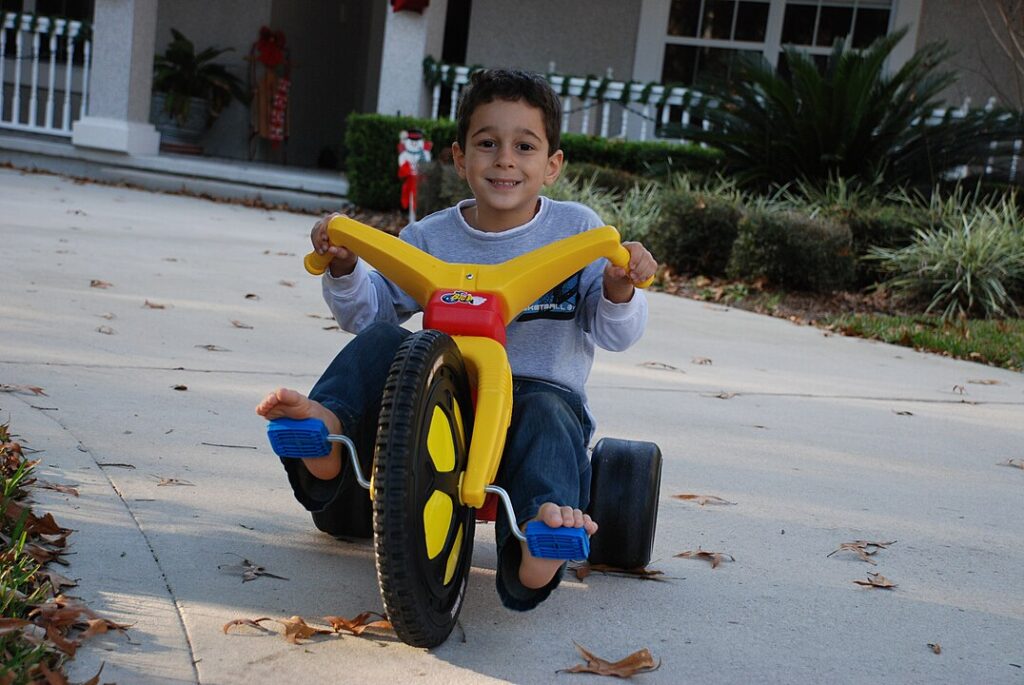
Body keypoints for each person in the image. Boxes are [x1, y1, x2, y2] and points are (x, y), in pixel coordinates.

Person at [256, 68, 657, 611]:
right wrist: (346, 269)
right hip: (433, 399)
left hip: (534, 398)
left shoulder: (579, 233)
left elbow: (615, 334)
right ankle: (329, 434)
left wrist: (617, 287)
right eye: (487, 144)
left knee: (548, 415)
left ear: (553, 165)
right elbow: (367, 311)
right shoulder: (431, 236)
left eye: (525, 146)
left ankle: (542, 537)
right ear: (459, 158)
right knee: (381, 340)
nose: (505, 159)